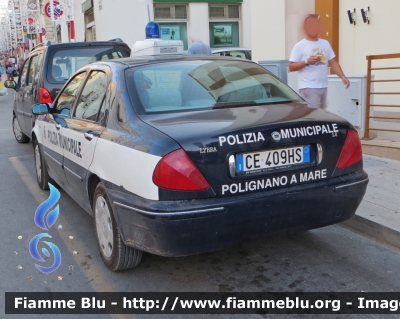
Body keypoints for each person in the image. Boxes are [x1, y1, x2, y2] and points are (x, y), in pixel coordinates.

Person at [289, 14, 350, 109]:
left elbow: (333, 62)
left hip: (323, 86)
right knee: (313, 115)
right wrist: (306, 62)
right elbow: (291, 67)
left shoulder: (325, 43)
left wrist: (342, 76)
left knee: (321, 115)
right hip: (308, 87)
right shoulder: (300, 46)